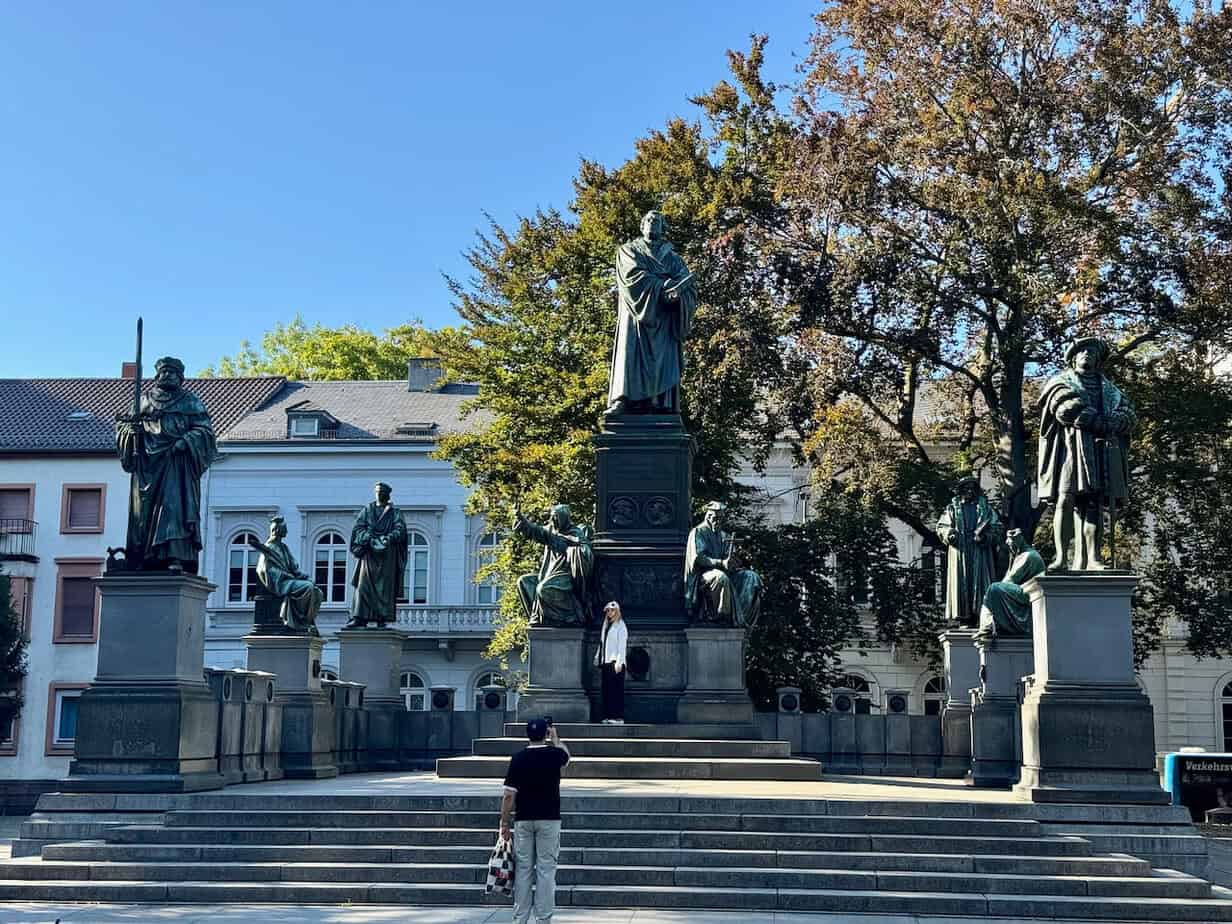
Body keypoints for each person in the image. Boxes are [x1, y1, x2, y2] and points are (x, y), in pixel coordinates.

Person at [1037, 336, 1135, 571]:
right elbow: (1064, 410)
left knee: (1094, 504)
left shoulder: (1111, 391)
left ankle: (1092, 559)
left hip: (1099, 450)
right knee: (1065, 498)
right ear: (1073, 356)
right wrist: (1097, 420)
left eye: (1092, 352)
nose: (1087, 354)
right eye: (1083, 350)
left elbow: (1129, 414)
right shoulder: (1060, 383)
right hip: (1072, 450)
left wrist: (1119, 420)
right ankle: (1061, 558)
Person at [114, 356, 216, 572]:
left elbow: (205, 432)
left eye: (173, 373)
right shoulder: (141, 401)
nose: (167, 375)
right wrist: (131, 433)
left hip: (176, 465)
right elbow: (124, 426)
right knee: (143, 512)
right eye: (164, 372)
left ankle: (174, 556)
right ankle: (141, 557)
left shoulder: (191, 402)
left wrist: (186, 441)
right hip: (147, 467)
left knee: (174, 510)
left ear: (181, 378)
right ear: (156, 375)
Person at [606, 210, 697, 415]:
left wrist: (680, 294)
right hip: (636, 315)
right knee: (630, 354)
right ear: (642, 225)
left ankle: (660, 402)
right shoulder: (629, 251)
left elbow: (688, 288)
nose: (652, 223)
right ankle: (624, 399)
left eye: (657, 221)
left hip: (664, 320)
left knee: (663, 361)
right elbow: (632, 277)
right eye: (649, 220)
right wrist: (664, 285)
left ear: (663, 228)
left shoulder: (673, 258)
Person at [500, 718, 571, 924]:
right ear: (545, 733)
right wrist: (556, 738)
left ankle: (520, 918)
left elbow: (508, 795)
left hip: (523, 819)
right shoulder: (554, 755)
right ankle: (543, 919)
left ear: (527, 735)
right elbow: (567, 756)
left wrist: (504, 822)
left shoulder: (518, 758)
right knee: (546, 871)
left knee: (523, 870)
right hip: (549, 819)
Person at [936, 475, 1002, 627]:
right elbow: (941, 526)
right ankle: (964, 618)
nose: (969, 491)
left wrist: (986, 538)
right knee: (962, 583)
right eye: (966, 488)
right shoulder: (952, 508)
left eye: (972, 488)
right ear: (961, 491)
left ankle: (981, 615)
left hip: (980, 552)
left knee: (981, 584)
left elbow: (997, 527)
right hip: (961, 553)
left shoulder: (985, 509)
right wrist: (950, 534)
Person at [684, 501, 763, 627]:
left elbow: (730, 558)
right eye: (716, 518)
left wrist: (734, 562)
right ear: (708, 517)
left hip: (726, 572)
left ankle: (741, 619)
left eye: (721, 518)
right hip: (702, 575)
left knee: (751, 577)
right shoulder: (698, 532)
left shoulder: (724, 535)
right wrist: (721, 563)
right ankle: (719, 618)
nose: (718, 521)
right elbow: (699, 558)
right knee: (720, 578)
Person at [513, 504, 594, 626]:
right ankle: (541, 619)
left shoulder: (575, 533)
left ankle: (571, 615)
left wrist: (572, 548)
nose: (552, 520)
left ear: (563, 518)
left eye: (555, 517)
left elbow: (586, 552)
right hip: (548, 574)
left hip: (565, 576)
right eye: (552, 517)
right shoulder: (550, 531)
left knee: (543, 589)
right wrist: (520, 518)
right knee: (524, 582)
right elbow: (535, 530)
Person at [247, 516, 323, 634]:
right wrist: (287, 576)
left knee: (318, 592)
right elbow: (264, 570)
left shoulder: (283, 547)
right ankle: (299, 622)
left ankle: (307, 621)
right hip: (281, 582)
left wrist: (302, 576)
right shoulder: (269, 547)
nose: (287, 531)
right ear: (278, 530)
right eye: (285, 528)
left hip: (290, 580)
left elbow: (293, 567)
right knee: (308, 588)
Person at [347, 482, 408, 628]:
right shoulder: (367, 511)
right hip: (369, 555)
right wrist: (367, 537)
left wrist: (389, 537)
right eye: (377, 491)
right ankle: (359, 617)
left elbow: (401, 529)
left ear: (388, 494)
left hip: (387, 556)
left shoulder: (395, 512)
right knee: (363, 586)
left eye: (382, 492)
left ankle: (382, 618)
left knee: (384, 588)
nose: (379, 494)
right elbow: (358, 529)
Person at [976, 529, 1046, 640]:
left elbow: (1008, 581)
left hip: (1029, 595)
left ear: (1018, 541)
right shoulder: (1020, 556)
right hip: (1024, 593)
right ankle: (987, 626)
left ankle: (987, 626)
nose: (1010, 549)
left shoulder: (1029, 556)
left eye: (1011, 545)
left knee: (993, 589)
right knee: (992, 591)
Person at [596, 601, 628, 724]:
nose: (610, 612)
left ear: (617, 611)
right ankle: (608, 715)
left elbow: (622, 645)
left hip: (616, 662)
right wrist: (598, 657)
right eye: (608, 610)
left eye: (612, 610)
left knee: (616, 690)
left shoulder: (621, 626)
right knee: (607, 690)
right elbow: (602, 643)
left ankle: (618, 717)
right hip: (606, 661)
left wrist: (619, 662)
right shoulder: (606, 625)